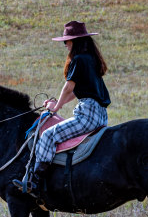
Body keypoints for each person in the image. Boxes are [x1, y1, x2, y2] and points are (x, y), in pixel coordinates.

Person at [15, 20, 110, 195]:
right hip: (100, 115)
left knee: (48, 135)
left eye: (67, 41)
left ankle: (34, 183)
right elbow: (77, 91)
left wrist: (55, 108)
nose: (65, 44)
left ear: (75, 41)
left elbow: (68, 87)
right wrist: (56, 104)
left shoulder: (79, 59)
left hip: (87, 115)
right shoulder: (91, 60)